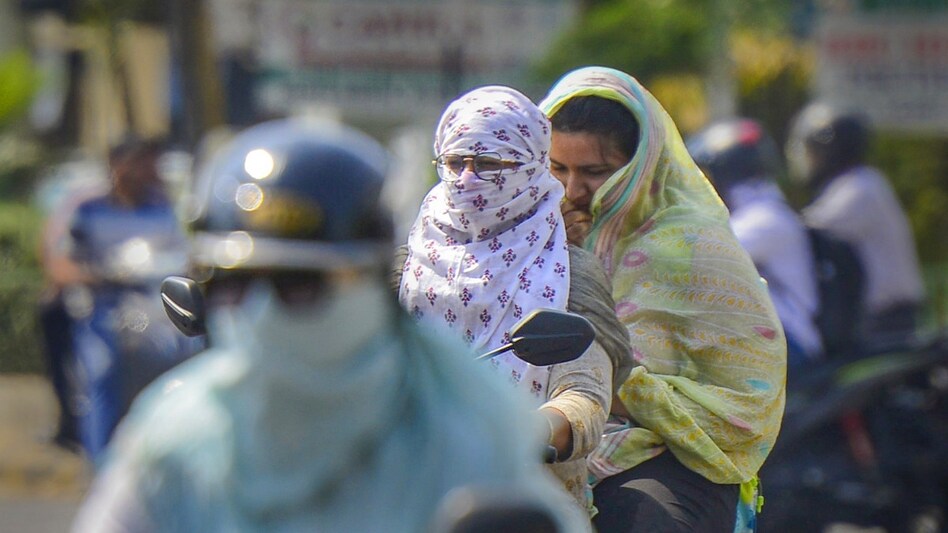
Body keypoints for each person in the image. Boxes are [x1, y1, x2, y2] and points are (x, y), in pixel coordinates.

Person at [72, 118, 587, 533]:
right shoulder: (178, 438)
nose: (260, 314)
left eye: (297, 284)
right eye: (235, 285)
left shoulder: (469, 426)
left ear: (371, 283)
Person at [539, 67, 787, 532]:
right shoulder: (526, 241)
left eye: (595, 172)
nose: (572, 191)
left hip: (672, 452)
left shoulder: (694, 246)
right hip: (545, 438)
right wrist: (558, 251)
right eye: (557, 168)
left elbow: (746, 398)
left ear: (640, 166)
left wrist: (615, 391)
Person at [397, 85, 631, 518]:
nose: (467, 179)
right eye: (455, 163)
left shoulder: (569, 270)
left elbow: (585, 394)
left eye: (488, 165)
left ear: (530, 167)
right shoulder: (406, 266)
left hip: (525, 500)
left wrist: (530, 428)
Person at [63, 139, 197, 463]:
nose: (141, 171)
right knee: (103, 368)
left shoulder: (163, 208)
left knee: (186, 359)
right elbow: (64, 264)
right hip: (103, 306)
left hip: (154, 306)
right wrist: (103, 274)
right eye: (135, 163)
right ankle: (102, 464)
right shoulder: (89, 209)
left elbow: (183, 257)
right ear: (115, 165)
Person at [786, 102, 925, 350]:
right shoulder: (860, 183)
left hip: (886, 322)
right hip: (881, 319)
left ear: (830, 150)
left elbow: (799, 233)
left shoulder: (860, 188)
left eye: (812, 150)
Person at [687, 118, 823, 367]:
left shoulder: (765, 218)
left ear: (725, 174)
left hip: (790, 343)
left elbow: (698, 257)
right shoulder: (762, 212)